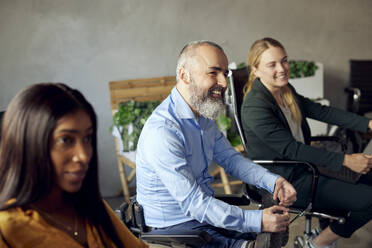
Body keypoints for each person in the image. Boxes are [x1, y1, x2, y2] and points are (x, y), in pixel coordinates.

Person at [136, 40, 297, 248]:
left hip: (201, 216)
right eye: (213, 73)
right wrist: (256, 221)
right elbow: (194, 203)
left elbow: (232, 161)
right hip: (174, 226)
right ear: (184, 75)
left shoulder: (203, 116)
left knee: (260, 234)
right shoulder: (163, 132)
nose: (223, 82)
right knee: (253, 239)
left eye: (225, 73)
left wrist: (273, 181)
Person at [241, 37, 372, 248]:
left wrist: (368, 124)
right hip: (285, 180)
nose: (282, 69)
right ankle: (318, 242)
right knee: (369, 200)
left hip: (305, 167)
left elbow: (321, 111)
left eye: (284, 61)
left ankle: (326, 227)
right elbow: (292, 150)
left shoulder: (284, 89)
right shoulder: (256, 107)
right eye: (272, 64)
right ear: (255, 70)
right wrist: (346, 160)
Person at [0, 83, 148, 248]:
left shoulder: (90, 203)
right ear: (29, 145)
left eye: (87, 138)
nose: (84, 156)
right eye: (66, 140)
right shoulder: (8, 228)